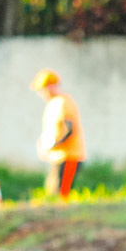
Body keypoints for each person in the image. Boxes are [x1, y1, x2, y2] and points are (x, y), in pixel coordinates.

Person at [30, 68, 86, 200]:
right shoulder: (52, 104)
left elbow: (69, 129)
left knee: (60, 196)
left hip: (68, 157)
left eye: (42, 89)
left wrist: (51, 145)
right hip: (57, 157)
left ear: (50, 87)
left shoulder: (63, 102)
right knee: (52, 194)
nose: (40, 93)